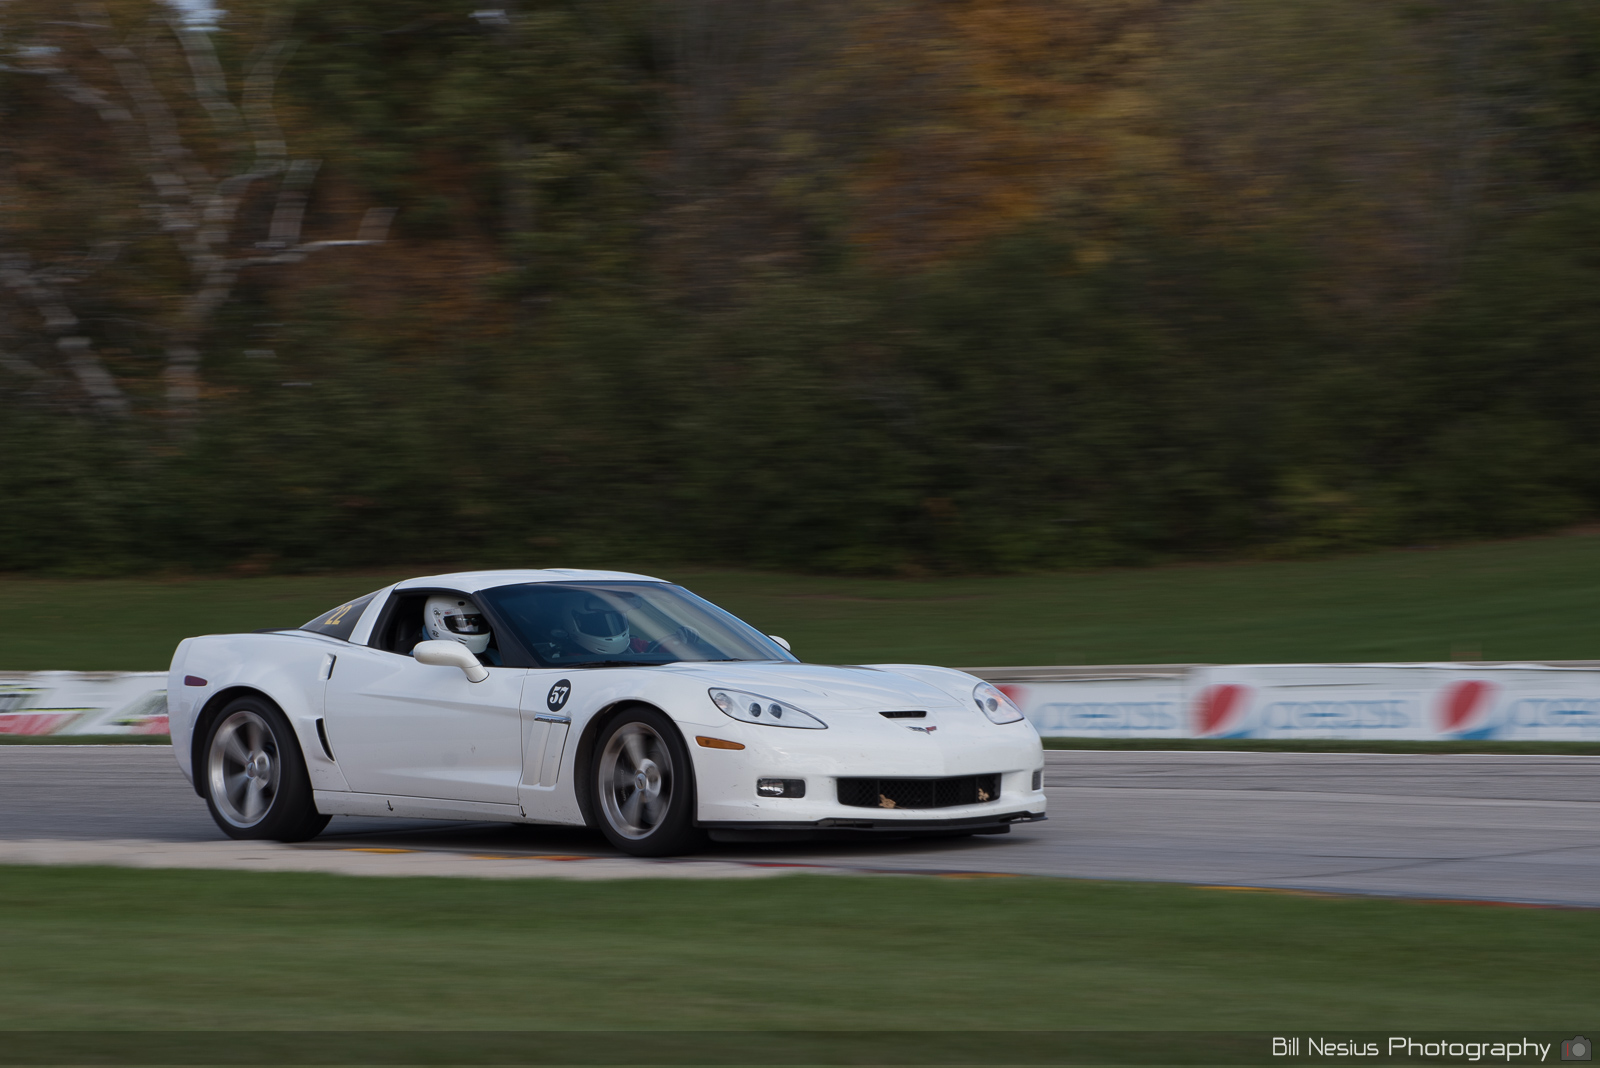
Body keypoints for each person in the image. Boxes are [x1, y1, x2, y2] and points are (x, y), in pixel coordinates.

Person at [422, 594, 501, 666]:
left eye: (475, 620)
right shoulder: (418, 660)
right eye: (461, 621)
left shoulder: (494, 657)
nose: (470, 626)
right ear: (436, 622)